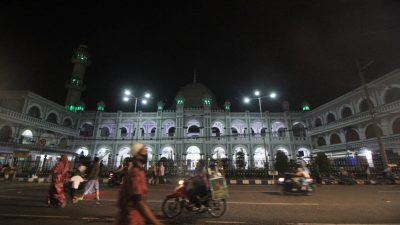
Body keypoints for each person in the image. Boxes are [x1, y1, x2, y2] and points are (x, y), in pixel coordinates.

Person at [115, 143, 163, 225]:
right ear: (137, 155)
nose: (146, 153)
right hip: (131, 219)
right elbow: (139, 202)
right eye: (144, 151)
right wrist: (156, 223)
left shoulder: (138, 170)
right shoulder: (136, 173)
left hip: (134, 217)